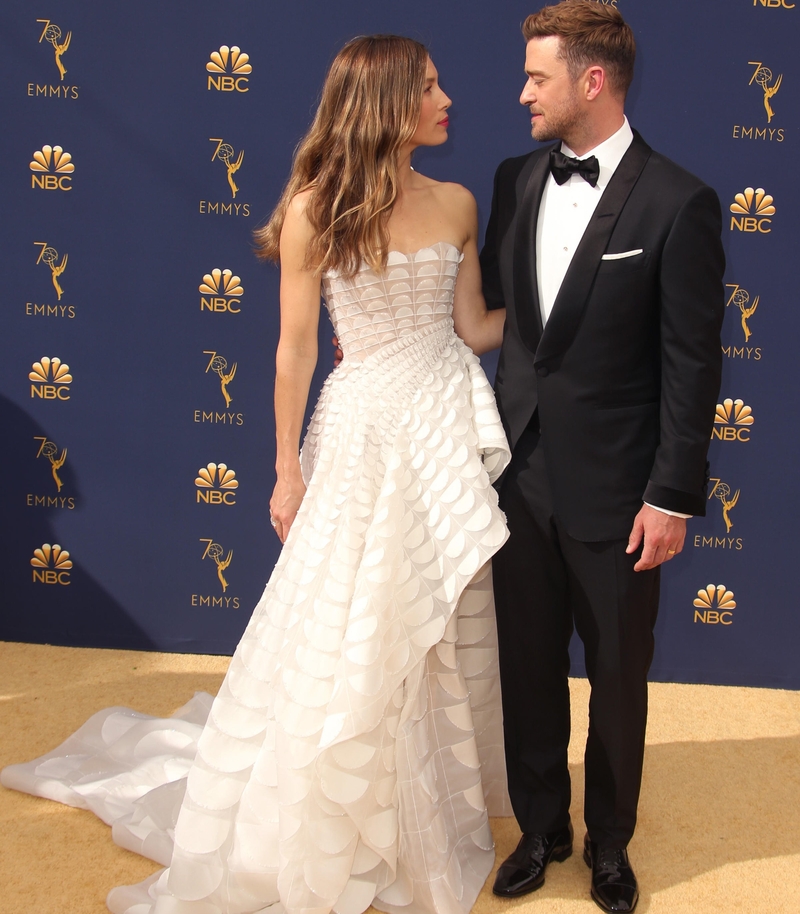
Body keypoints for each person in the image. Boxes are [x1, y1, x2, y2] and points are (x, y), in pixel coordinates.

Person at [1, 36, 512, 914]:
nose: (447, 97)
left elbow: (471, 328)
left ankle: (419, 804)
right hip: (360, 434)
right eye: (429, 85)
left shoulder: (461, 202)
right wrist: (284, 469)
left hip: (439, 428)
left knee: (433, 608)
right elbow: (296, 351)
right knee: (354, 621)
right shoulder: (317, 206)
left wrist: (566, 309)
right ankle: (336, 809)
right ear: (386, 98)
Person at [481, 4, 724, 913]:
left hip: (623, 491)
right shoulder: (512, 180)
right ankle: (539, 828)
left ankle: (608, 843)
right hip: (517, 478)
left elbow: (693, 363)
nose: (522, 93)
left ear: (592, 81)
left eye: (537, 78)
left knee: (618, 674)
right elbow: (497, 319)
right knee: (526, 664)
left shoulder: (678, 201)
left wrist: (671, 494)